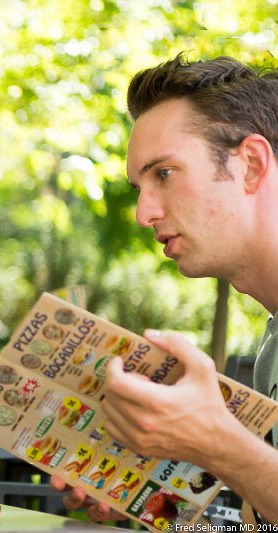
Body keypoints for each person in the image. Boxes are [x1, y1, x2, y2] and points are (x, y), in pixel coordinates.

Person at [51, 54, 278, 524]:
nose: (143, 213)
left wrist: (217, 443)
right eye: (139, 186)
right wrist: (151, 490)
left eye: (165, 174)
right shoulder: (272, 345)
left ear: (251, 165)